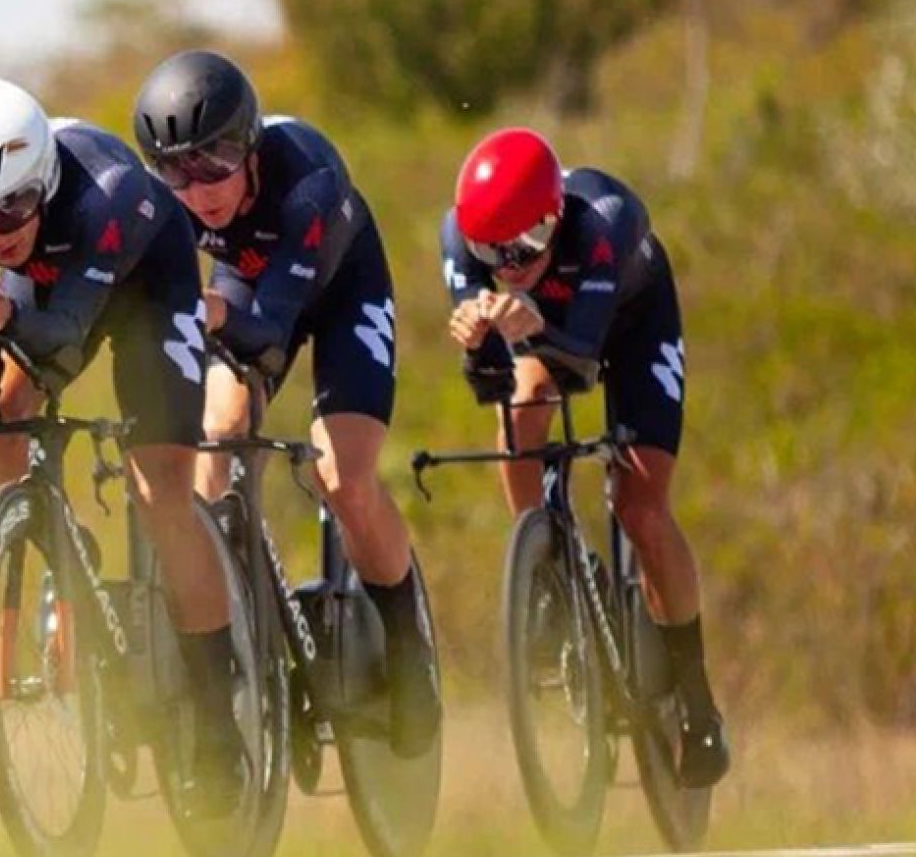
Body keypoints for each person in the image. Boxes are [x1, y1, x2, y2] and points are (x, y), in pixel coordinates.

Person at [0, 76, 242, 816]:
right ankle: (47, 534)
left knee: (161, 498)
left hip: (146, 286)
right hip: (52, 286)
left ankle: (218, 718)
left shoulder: (108, 191)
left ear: (43, 180)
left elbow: (61, 333)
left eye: (12, 209)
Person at [132, 50, 439, 756]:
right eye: (177, 171)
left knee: (344, 476)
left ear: (250, 145)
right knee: (216, 434)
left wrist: (201, 312)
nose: (199, 187)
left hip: (337, 289)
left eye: (214, 163)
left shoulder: (308, 181)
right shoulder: (171, 206)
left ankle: (405, 643)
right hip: (242, 287)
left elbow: (269, 327)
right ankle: (235, 615)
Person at [439, 126, 729, 788]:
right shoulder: (461, 239)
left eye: (523, 247)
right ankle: (545, 566)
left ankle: (696, 696)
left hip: (629, 320)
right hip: (545, 325)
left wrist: (528, 322)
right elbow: (489, 381)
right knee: (520, 410)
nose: (507, 264)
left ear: (554, 218)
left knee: (641, 506)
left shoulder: (607, 221)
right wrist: (474, 343)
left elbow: (581, 353)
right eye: (491, 252)